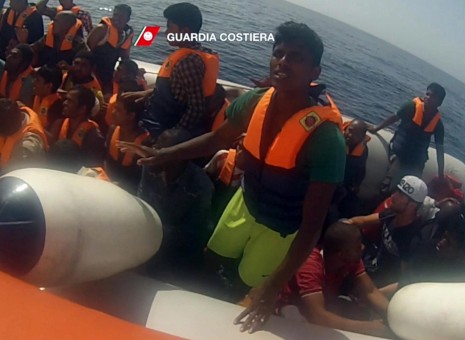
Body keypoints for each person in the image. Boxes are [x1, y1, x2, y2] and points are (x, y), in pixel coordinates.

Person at [119, 21, 345, 333]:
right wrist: (163, 154)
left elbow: (312, 225)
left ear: (314, 73)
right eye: (278, 53)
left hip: (280, 228)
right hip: (244, 202)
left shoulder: (326, 138)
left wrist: (275, 285)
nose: (283, 61)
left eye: (296, 57)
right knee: (210, 260)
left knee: (245, 283)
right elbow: (217, 139)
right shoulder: (254, 101)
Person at [278, 221, 393, 338]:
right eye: (358, 246)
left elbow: (370, 291)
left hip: (325, 304)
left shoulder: (352, 259)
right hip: (293, 309)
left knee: (361, 312)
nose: (363, 247)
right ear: (342, 254)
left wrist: (394, 316)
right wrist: (366, 327)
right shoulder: (310, 266)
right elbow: (317, 316)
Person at [138, 128, 214, 285]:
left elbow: (191, 234)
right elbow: (142, 200)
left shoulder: (201, 186)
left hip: (178, 261)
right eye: (155, 146)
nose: (154, 153)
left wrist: (152, 231)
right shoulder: (150, 167)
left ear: (179, 157)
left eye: (161, 151)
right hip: (148, 244)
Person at [134, 2, 220, 139]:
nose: (166, 31)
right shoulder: (195, 53)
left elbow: (197, 107)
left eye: (169, 27)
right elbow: (178, 92)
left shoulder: (187, 62)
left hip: (164, 128)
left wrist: (173, 135)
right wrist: (147, 94)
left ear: (185, 31)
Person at [346, 175, 428, 288]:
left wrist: (372, 294)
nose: (393, 196)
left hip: (379, 284)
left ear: (412, 205)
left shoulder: (412, 241)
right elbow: (363, 221)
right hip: (370, 265)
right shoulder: (393, 214)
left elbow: (404, 281)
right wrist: (341, 227)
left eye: (400, 195)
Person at [369, 83, 446, 192]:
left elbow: (440, 150)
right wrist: (376, 128)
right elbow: (394, 118)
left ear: (439, 103)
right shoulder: (411, 107)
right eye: (427, 94)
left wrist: (441, 175)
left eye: (433, 97)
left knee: (411, 190)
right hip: (399, 151)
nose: (428, 98)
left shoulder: (438, 124)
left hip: (417, 160)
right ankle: (386, 186)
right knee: (387, 185)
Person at [105, 93, 149, 194]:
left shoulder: (145, 142)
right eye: (114, 108)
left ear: (131, 116)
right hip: (108, 187)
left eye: (118, 110)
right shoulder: (112, 129)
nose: (113, 112)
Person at [50, 85, 104, 167]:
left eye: (70, 101)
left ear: (82, 109)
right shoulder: (58, 124)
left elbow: (93, 169)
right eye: (66, 99)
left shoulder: (94, 137)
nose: (64, 103)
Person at [86, 4, 133, 94]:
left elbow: (125, 58)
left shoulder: (127, 34)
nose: (117, 19)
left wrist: (134, 73)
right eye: (115, 15)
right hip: (91, 73)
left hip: (108, 74)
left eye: (121, 16)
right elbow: (85, 53)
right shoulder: (102, 29)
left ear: (127, 20)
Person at [338, 118, 370, 217]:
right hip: (325, 183)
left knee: (355, 208)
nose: (350, 135)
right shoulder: (335, 141)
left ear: (362, 137)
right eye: (350, 130)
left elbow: (361, 170)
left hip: (344, 187)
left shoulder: (363, 150)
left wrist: (356, 185)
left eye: (356, 134)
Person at [32, 65, 63, 130]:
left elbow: (53, 138)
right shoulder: (35, 96)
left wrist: (33, 126)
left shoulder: (57, 106)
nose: (33, 82)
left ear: (49, 86)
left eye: (38, 80)